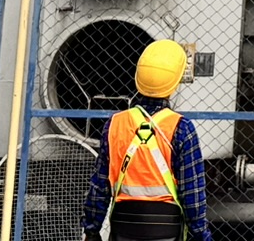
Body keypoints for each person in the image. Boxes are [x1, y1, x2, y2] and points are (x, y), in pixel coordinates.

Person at [82, 40, 210, 241]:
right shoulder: (181, 128)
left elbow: (100, 185)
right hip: (166, 230)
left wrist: (91, 229)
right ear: (175, 84)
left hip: (123, 227)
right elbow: (192, 193)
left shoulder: (115, 124)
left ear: (137, 78)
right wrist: (201, 234)